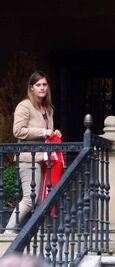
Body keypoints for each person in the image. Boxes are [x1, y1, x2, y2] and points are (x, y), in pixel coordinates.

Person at [3, 71, 62, 234]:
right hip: (28, 158)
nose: (42, 88)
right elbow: (18, 131)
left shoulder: (48, 109)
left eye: (44, 84)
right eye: (38, 85)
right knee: (30, 199)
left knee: (43, 199)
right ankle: (8, 232)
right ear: (31, 88)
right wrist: (44, 132)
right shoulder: (24, 106)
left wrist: (54, 133)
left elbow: (47, 134)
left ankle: (36, 234)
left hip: (45, 158)